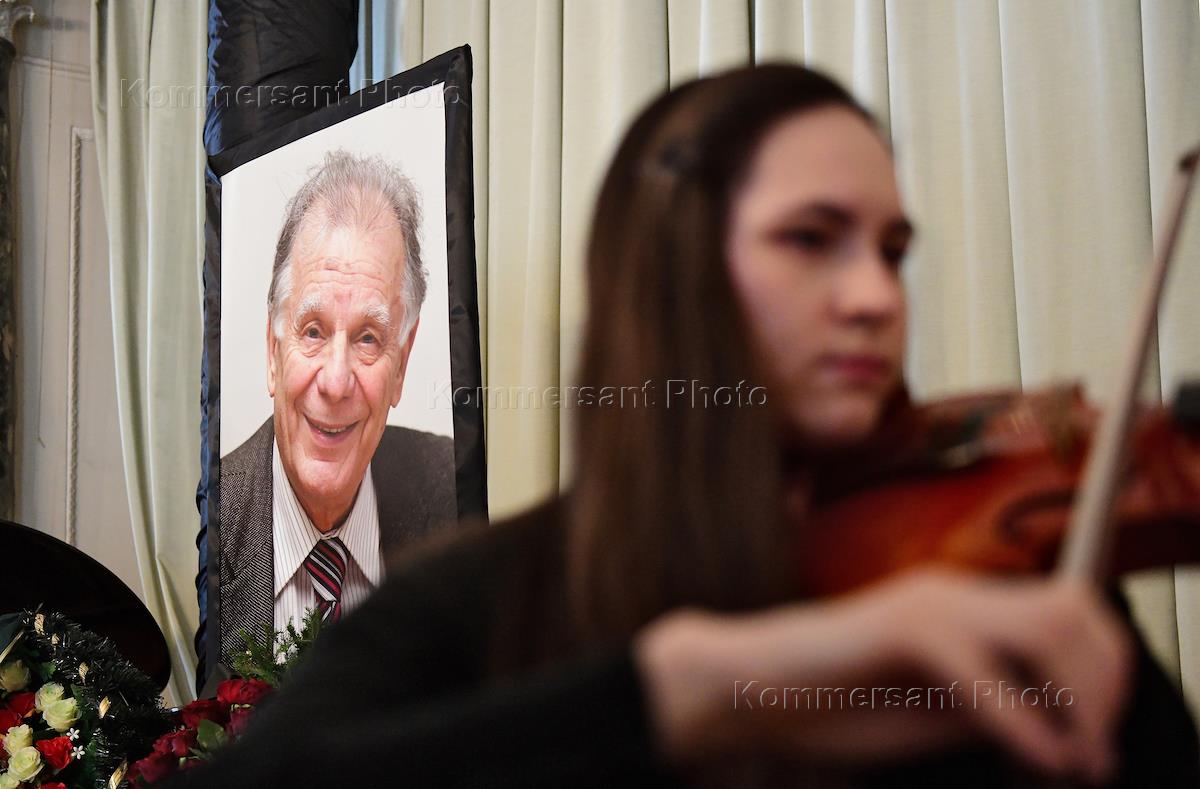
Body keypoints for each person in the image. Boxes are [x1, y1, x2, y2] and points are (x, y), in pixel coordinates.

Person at [174, 65, 1197, 787]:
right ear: (671, 274)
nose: (878, 296)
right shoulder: (489, 598)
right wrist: (682, 688)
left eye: (890, 251)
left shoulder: (1009, 585)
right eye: (813, 239)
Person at [214, 150, 456, 672]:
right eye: (313, 331)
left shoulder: (453, 496)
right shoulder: (213, 517)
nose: (336, 382)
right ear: (273, 352)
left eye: (369, 338)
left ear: (401, 362)